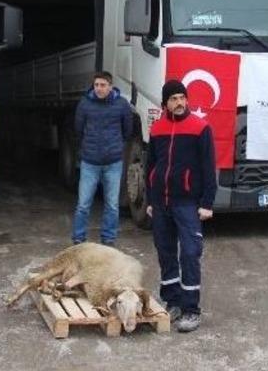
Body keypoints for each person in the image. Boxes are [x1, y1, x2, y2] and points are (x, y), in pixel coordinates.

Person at [145, 79, 217, 333]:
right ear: (165, 103)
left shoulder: (200, 127)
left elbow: (209, 167)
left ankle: (191, 310)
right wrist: (150, 200)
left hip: (187, 203)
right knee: (165, 253)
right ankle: (172, 302)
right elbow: (150, 167)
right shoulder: (157, 129)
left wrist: (207, 202)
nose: (178, 103)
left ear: (187, 100)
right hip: (161, 203)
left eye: (181, 98)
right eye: (173, 99)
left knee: (189, 252)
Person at [71, 70, 133, 246]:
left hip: (113, 162)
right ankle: (78, 238)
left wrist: (116, 147)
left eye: (103, 85)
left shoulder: (121, 105)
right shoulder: (85, 104)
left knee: (112, 205)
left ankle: (108, 238)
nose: (99, 88)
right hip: (89, 162)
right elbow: (78, 129)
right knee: (83, 204)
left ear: (110, 86)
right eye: (96, 85)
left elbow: (128, 130)